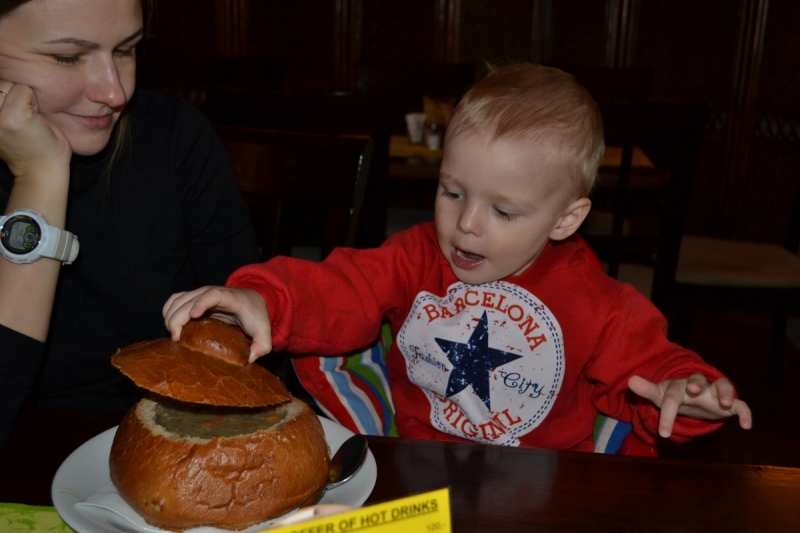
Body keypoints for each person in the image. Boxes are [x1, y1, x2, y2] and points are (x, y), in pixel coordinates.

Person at [163, 63, 752, 450]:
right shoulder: (418, 255)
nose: (466, 225)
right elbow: (341, 285)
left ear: (566, 218)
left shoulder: (599, 302)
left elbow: (661, 370)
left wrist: (690, 392)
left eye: (504, 211)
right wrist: (259, 297)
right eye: (452, 193)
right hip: (413, 469)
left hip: (544, 490)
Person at [0, 0, 259, 449]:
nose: (115, 92)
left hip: (161, 444)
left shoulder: (176, 140)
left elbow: (244, 364)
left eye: (126, 49)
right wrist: (40, 177)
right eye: (68, 57)